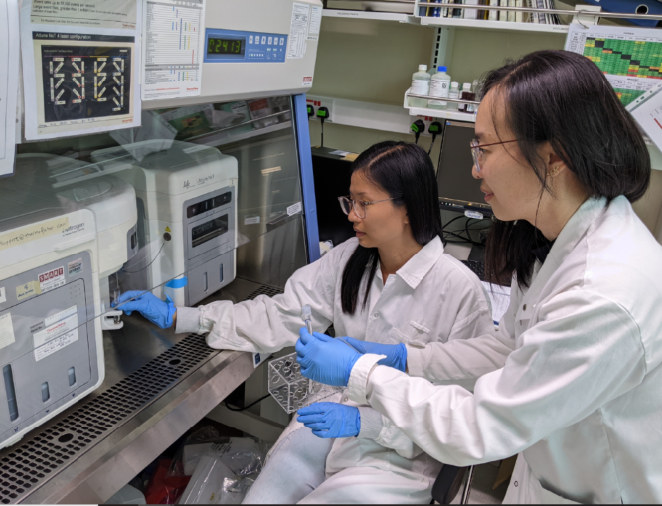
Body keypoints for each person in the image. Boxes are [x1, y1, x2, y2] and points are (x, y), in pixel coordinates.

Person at [295, 50, 662, 504]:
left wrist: (364, 373)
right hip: (551, 476)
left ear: (554, 157)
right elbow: (506, 349)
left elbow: (479, 426)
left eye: (485, 148)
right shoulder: (551, 245)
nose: (475, 168)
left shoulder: (604, 293)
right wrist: (402, 358)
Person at [113, 141, 495, 503]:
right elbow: (281, 313)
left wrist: (369, 424)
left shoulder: (460, 293)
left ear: (407, 207)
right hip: (331, 417)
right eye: (350, 201)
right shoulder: (351, 259)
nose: (351, 215)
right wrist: (185, 316)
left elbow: (459, 413)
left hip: (402, 451)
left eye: (363, 203)